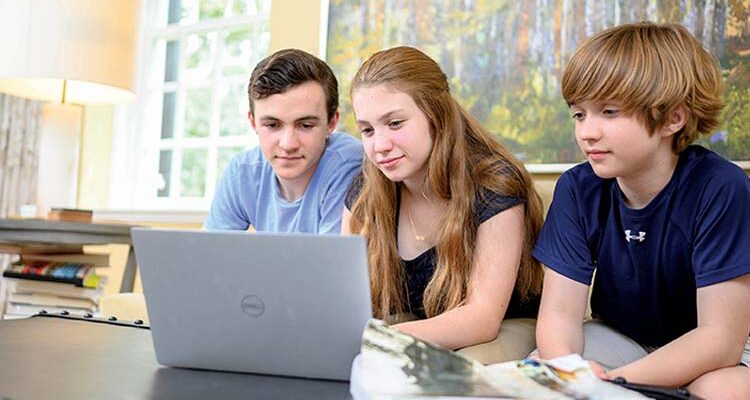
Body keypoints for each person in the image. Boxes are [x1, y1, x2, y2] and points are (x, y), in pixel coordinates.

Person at [532, 22, 750, 399]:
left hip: (722, 345)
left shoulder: (721, 187)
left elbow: (720, 338)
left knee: (717, 390)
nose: (587, 132)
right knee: (546, 377)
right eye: (579, 114)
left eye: (609, 112)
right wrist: (574, 373)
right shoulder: (577, 188)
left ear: (672, 119)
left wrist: (617, 381)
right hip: (623, 335)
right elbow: (559, 316)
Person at [343, 46, 544, 363]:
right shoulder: (366, 191)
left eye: (395, 123)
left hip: (502, 327)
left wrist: (381, 340)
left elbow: (482, 320)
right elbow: (348, 296)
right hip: (416, 323)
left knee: (460, 370)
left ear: (436, 116)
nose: (379, 146)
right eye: (367, 130)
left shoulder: (493, 184)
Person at [204, 49, 362, 234]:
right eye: (272, 125)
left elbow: (333, 261)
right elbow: (208, 256)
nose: (288, 144)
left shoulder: (349, 163)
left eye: (305, 125)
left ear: (332, 123)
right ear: (253, 122)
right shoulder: (242, 171)